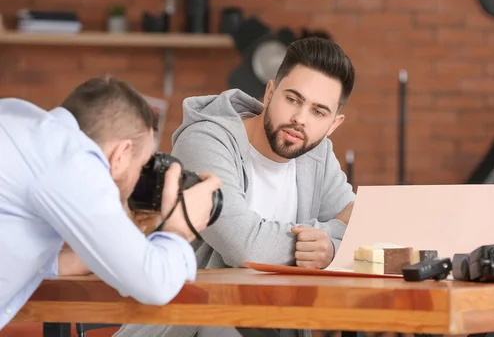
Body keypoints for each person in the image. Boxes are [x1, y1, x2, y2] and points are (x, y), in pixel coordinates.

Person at [114, 36, 356, 337]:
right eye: (292, 99)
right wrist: (320, 239)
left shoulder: (316, 153)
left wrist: (330, 248)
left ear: (333, 124)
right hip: (190, 325)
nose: (299, 119)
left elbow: (360, 227)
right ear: (269, 93)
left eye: (318, 112)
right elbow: (244, 244)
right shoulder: (206, 140)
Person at [0, 76, 222, 330]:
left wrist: (127, 242)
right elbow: (154, 286)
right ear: (121, 154)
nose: (141, 175)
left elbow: (21, 249)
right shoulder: (74, 161)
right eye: (142, 165)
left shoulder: (18, 117)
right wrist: (179, 228)